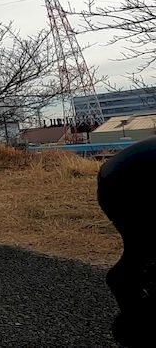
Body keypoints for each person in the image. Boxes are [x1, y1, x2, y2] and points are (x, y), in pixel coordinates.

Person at [97, 137, 156, 347]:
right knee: (144, 251)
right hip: (127, 182)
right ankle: (137, 323)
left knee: (144, 253)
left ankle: (136, 319)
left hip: (121, 174)